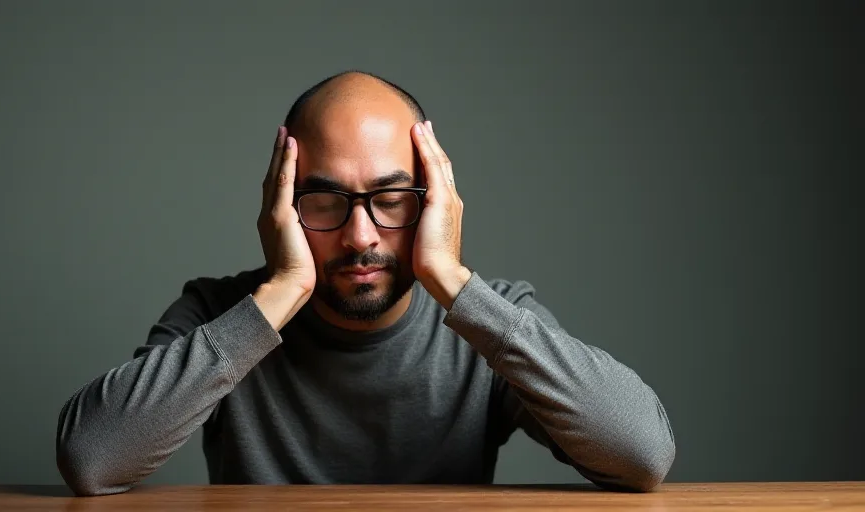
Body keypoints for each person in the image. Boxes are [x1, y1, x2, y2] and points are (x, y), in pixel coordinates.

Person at [55, 70, 676, 496]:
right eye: (324, 199)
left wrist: (455, 283)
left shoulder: (492, 320)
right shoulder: (221, 313)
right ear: (282, 204)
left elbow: (642, 453)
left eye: (391, 197)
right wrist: (279, 292)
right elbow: (93, 459)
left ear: (436, 203)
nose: (360, 236)